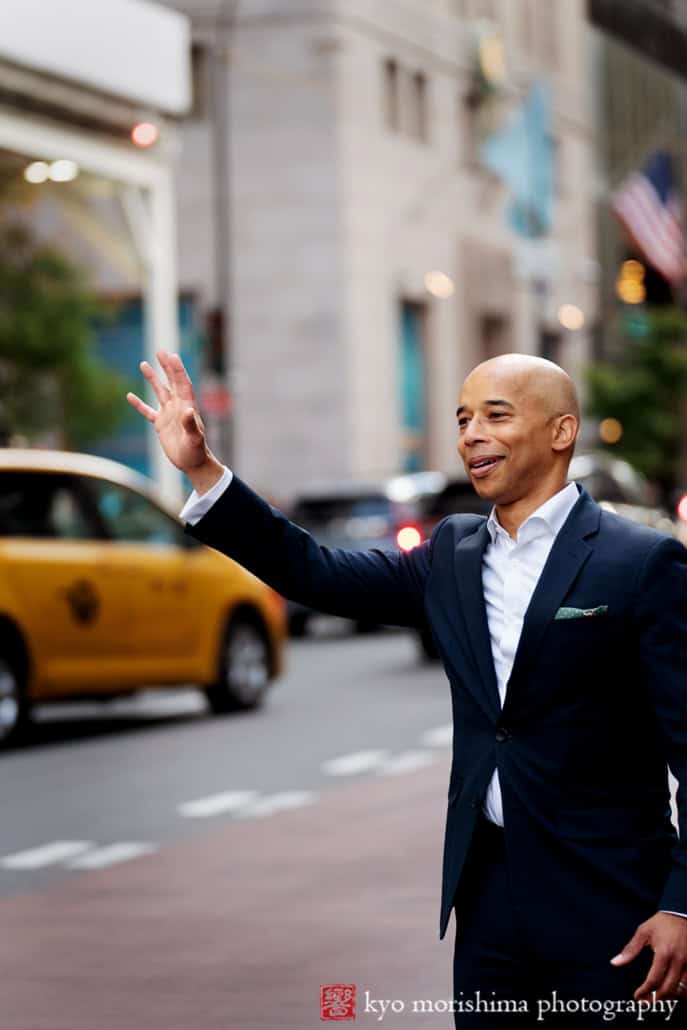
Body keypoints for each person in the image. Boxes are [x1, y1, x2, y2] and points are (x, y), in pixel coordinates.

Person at [127, 350, 687, 1026]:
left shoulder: (640, 562)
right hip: (487, 901)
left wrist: (680, 905)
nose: (471, 434)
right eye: (462, 419)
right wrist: (202, 470)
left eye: (495, 416)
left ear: (560, 431)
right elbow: (314, 571)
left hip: (613, 903)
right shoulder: (451, 553)